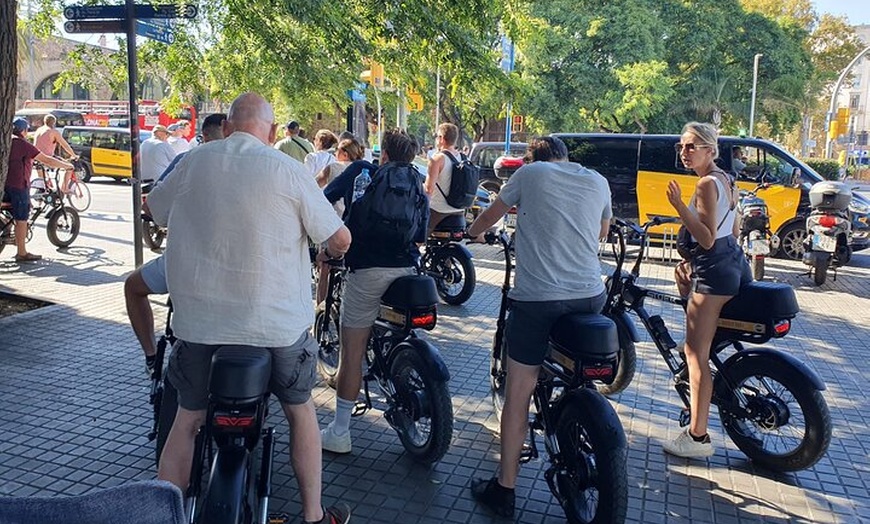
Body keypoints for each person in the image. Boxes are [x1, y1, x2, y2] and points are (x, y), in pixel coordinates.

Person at [146, 93, 352, 524]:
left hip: (199, 327)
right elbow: (340, 239)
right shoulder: (288, 169)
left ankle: (163, 515)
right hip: (277, 330)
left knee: (186, 420)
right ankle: (314, 515)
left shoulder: (192, 162)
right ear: (272, 132)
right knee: (300, 411)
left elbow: (154, 208)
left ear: (226, 127)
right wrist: (329, 249)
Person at [465, 136, 612, 518]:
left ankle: (504, 488)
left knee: (519, 390)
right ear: (566, 157)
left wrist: (473, 232)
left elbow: (488, 218)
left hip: (537, 300)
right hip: (591, 295)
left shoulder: (529, 174)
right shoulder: (597, 180)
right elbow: (602, 232)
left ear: (533, 159)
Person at [319, 129, 428, 454]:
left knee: (352, 353)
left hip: (366, 270)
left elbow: (323, 199)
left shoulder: (361, 171)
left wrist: (332, 241)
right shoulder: (417, 180)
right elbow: (420, 234)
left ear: (384, 155)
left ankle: (340, 432)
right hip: (408, 270)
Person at [666, 122, 751, 458]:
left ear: (710, 150)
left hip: (715, 272)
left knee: (695, 355)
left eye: (692, 146)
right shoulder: (726, 179)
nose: (684, 153)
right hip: (734, 264)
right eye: (681, 146)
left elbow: (706, 238)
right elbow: (734, 229)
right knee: (682, 278)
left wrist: (678, 206)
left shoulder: (705, 184)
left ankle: (697, 437)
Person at [124, 113, 227, 377]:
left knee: (133, 286)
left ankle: (151, 356)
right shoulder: (253, 164)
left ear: (204, 136)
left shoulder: (187, 160)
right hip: (236, 264)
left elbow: (152, 206)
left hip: (188, 261)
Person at [4, 118, 74, 263]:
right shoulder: (22, 144)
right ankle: (21, 252)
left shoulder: (6, 140)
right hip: (18, 185)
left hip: (5, 184)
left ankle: (10, 233)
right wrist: (66, 166)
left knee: (11, 211)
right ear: (24, 131)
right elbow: (47, 160)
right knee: (22, 217)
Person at [314, 137, 365, 304]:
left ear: (344, 153)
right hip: (355, 227)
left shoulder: (333, 167)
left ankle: (321, 308)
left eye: (337, 151)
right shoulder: (364, 170)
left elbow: (314, 186)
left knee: (325, 267)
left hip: (333, 225)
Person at [424, 123, 466, 236]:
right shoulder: (463, 158)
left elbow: (428, 189)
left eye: (437, 137)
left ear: (441, 138)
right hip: (459, 211)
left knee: (416, 234)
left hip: (438, 210)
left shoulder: (437, 159)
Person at [32, 114, 78, 193]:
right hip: (48, 159)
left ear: (44, 121)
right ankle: (64, 188)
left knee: (44, 182)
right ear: (54, 123)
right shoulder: (53, 132)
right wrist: (74, 155)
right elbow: (65, 145)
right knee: (70, 167)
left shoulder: (39, 130)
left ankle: (46, 191)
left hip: (36, 159)